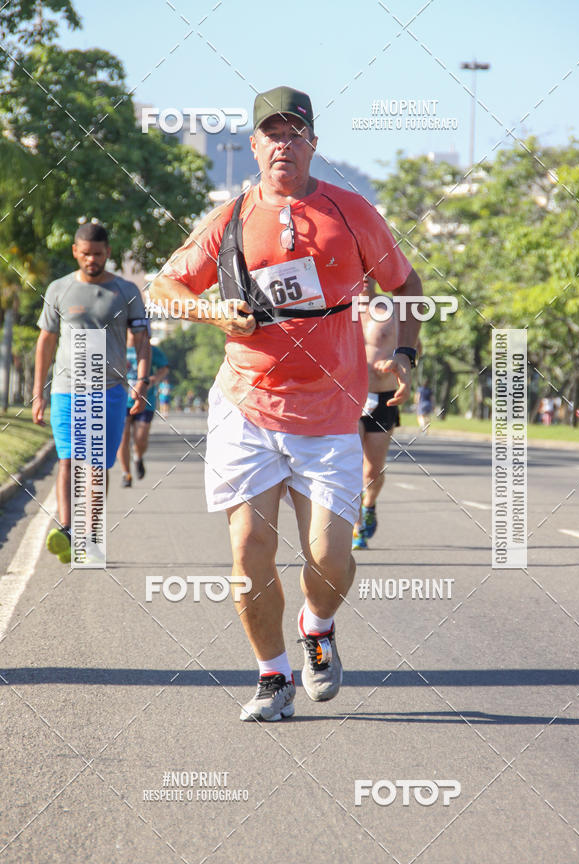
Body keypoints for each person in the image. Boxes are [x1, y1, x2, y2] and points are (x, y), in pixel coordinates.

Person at [150, 85, 422, 721]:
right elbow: (164, 286)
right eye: (271, 134)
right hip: (247, 404)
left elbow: (405, 282)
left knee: (329, 557)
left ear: (312, 144)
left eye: (294, 133)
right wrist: (213, 311)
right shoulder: (230, 219)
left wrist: (404, 356)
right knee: (248, 548)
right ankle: (273, 675)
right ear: (253, 146)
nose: (283, 144)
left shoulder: (352, 212)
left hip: (330, 413)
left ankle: (317, 625)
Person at [32, 222, 150, 563]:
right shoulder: (58, 290)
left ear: (108, 252)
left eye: (98, 254)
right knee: (68, 459)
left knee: (96, 467)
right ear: (75, 251)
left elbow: (142, 341)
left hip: (109, 391)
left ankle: (90, 536)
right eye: (85, 254)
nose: (91, 260)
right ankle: (69, 531)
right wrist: (39, 392)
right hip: (67, 390)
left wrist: (141, 382)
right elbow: (45, 342)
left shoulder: (126, 292)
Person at [352, 278, 404, 551]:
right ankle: (357, 524)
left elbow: (411, 348)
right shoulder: (340, 308)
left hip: (383, 395)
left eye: (366, 273)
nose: (361, 280)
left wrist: (396, 361)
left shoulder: (392, 311)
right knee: (352, 463)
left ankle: (369, 504)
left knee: (372, 468)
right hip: (349, 395)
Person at [118, 329, 169, 486]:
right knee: (123, 437)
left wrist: (154, 379)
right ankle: (126, 474)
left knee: (140, 438)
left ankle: (138, 457)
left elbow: (165, 367)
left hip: (145, 401)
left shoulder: (149, 350)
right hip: (122, 400)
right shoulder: (118, 349)